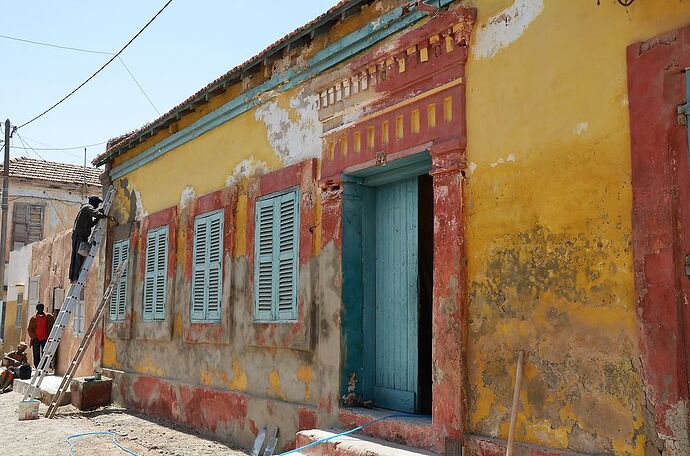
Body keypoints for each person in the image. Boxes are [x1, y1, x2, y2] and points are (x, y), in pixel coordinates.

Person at [69, 195, 108, 283]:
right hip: (79, 235)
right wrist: (105, 215)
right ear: (94, 202)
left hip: (81, 235)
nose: (97, 205)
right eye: (97, 204)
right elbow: (95, 213)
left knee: (79, 255)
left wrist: (97, 219)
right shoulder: (87, 207)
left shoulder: (86, 212)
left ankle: (74, 276)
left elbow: (90, 224)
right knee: (78, 256)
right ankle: (74, 277)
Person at [27, 303, 55, 368]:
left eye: (42, 308)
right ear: (37, 309)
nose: (40, 309)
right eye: (39, 308)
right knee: (36, 354)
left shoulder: (48, 316)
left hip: (45, 338)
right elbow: (29, 329)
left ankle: (44, 367)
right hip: (36, 338)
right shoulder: (33, 318)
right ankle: (37, 367)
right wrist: (34, 337)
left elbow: (52, 325)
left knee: (45, 353)